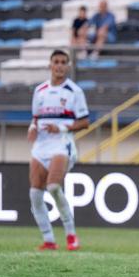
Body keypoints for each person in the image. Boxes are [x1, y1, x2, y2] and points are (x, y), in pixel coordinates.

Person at [27, 50, 89, 251]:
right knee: (35, 193)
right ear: (50, 65)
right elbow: (35, 118)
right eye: (56, 62)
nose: (60, 66)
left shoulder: (74, 91)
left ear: (68, 66)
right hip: (41, 146)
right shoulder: (40, 91)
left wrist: (61, 128)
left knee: (53, 187)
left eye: (63, 62)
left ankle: (71, 235)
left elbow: (85, 122)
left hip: (62, 144)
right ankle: (49, 240)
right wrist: (32, 129)